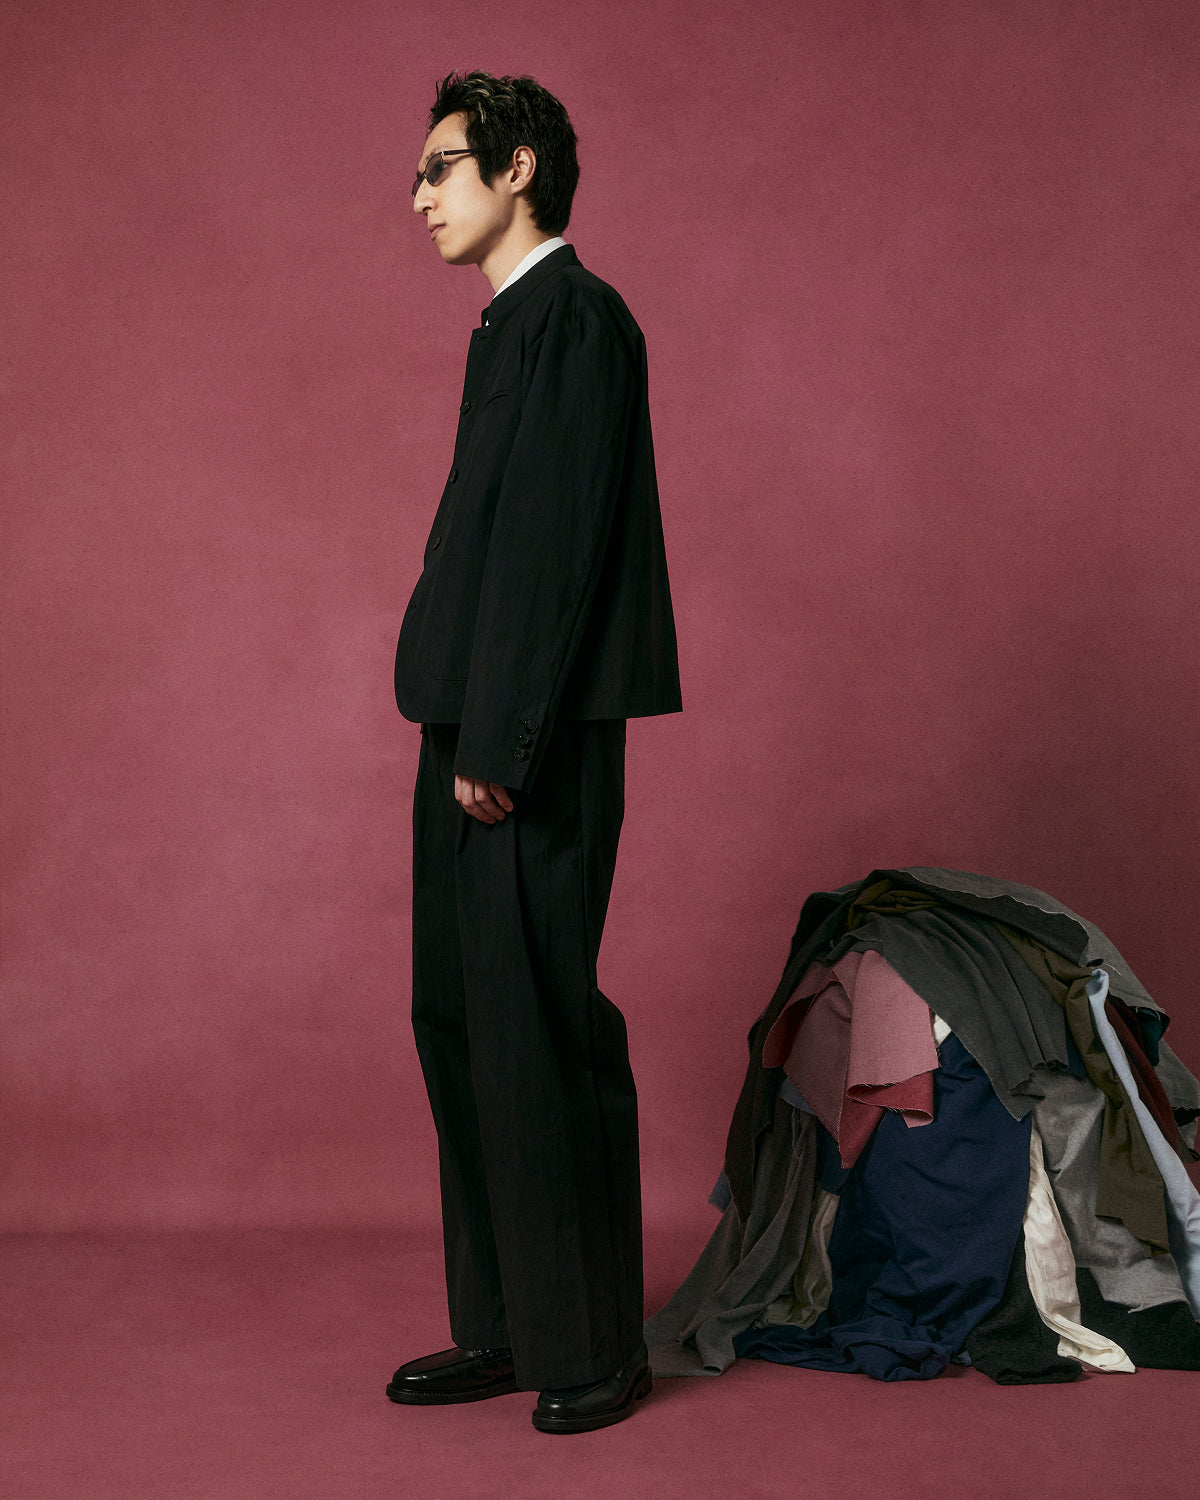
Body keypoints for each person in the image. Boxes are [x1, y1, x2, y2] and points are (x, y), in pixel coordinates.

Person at [386, 71, 682, 1434]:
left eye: (441, 166)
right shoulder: (510, 325)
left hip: (527, 746)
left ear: (517, 170)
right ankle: (506, 1325)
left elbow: (553, 557)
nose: (419, 194)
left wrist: (500, 742)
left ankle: (592, 1344)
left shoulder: (579, 321)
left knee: (540, 1032)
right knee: (460, 1025)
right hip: (469, 730)